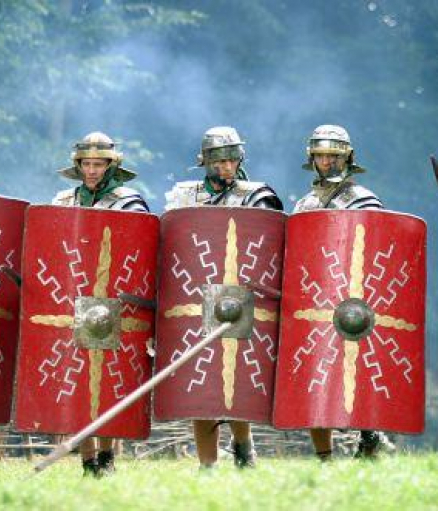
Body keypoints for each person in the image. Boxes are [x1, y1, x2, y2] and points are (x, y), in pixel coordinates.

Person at [165, 126, 282, 468]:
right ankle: (207, 465)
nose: (226, 167)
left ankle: (244, 447)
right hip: (196, 303)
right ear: (205, 161)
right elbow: (172, 246)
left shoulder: (257, 197)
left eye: (232, 159)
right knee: (200, 384)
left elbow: (272, 249)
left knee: (236, 380)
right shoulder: (185, 198)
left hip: (241, 305)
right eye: (219, 160)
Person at [293, 125, 395, 461]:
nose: (326, 161)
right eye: (321, 155)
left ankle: (370, 437)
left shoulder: (363, 200)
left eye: (333, 155)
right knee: (315, 376)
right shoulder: (305, 204)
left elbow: (377, 249)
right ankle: (324, 456)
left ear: (346, 157)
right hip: (314, 302)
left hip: (352, 302)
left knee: (357, 372)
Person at [54, 131, 148, 476]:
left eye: (98, 164)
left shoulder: (129, 203)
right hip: (74, 301)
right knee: (80, 383)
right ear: (78, 165)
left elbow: (139, 255)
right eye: (87, 164)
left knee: (109, 382)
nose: (92, 171)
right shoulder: (63, 201)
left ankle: (107, 455)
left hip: (114, 303)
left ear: (111, 166)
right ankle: (88, 460)